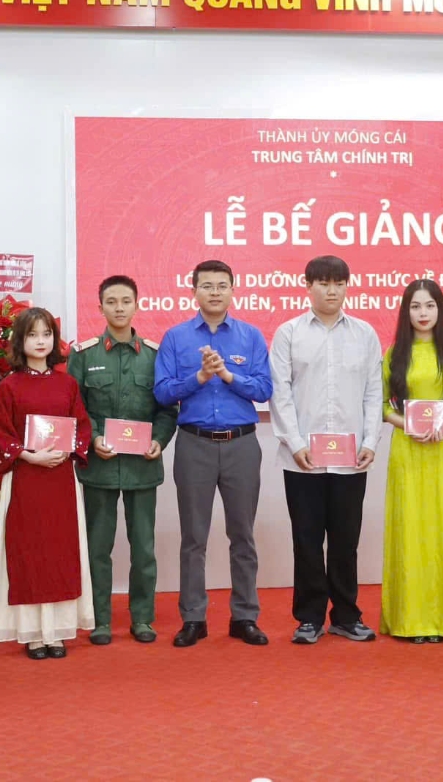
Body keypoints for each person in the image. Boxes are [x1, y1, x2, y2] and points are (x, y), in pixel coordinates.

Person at [153, 260, 273, 648]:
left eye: (222, 285)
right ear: (194, 291)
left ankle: (245, 616)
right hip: (194, 444)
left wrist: (227, 376)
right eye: (207, 286)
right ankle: (193, 618)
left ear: (233, 290)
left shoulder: (251, 336)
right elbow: (162, 392)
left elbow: (264, 389)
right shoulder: (176, 338)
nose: (215, 292)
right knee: (194, 537)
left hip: (241, 444)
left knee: (243, 535)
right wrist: (200, 377)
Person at [270, 256, 383, 644]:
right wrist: (295, 443)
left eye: (338, 283)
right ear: (308, 285)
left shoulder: (365, 334)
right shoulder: (288, 333)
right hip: (302, 460)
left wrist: (370, 441)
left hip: (352, 459)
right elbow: (280, 393)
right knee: (306, 540)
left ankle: (347, 616)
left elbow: (373, 392)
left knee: (346, 541)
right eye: (323, 283)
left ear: (347, 286)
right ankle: (309, 617)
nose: (331, 290)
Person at [67, 276, 177, 646]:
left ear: (137, 305)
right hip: (98, 467)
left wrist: (159, 440)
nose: (118, 307)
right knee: (98, 549)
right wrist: (93, 438)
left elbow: (167, 409)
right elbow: (75, 407)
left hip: (141, 467)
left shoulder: (155, 355)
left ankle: (142, 618)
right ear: (100, 307)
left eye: (125, 301)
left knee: (143, 549)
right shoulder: (84, 355)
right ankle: (99, 620)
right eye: (111, 301)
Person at [0, 308, 95, 659]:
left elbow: (81, 426)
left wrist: (67, 450)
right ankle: (33, 634)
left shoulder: (68, 384)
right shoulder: (9, 386)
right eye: (32, 335)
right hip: (25, 478)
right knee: (28, 551)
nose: (40, 341)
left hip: (61, 480)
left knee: (60, 551)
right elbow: (1, 432)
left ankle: (58, 632)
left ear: (54, 340)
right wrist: (28, 456)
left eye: (46, 334)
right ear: (20, 341)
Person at [380, 279, 443, 643]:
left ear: (440, 310)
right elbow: (383, 406)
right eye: (415, 306)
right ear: (406, 311)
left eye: (430, 306)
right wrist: (408, 424)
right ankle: (410, 620)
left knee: (441, 530)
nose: (423, 313)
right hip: (407, 450)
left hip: (442, 450)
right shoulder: (394, 354)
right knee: (410, 530)